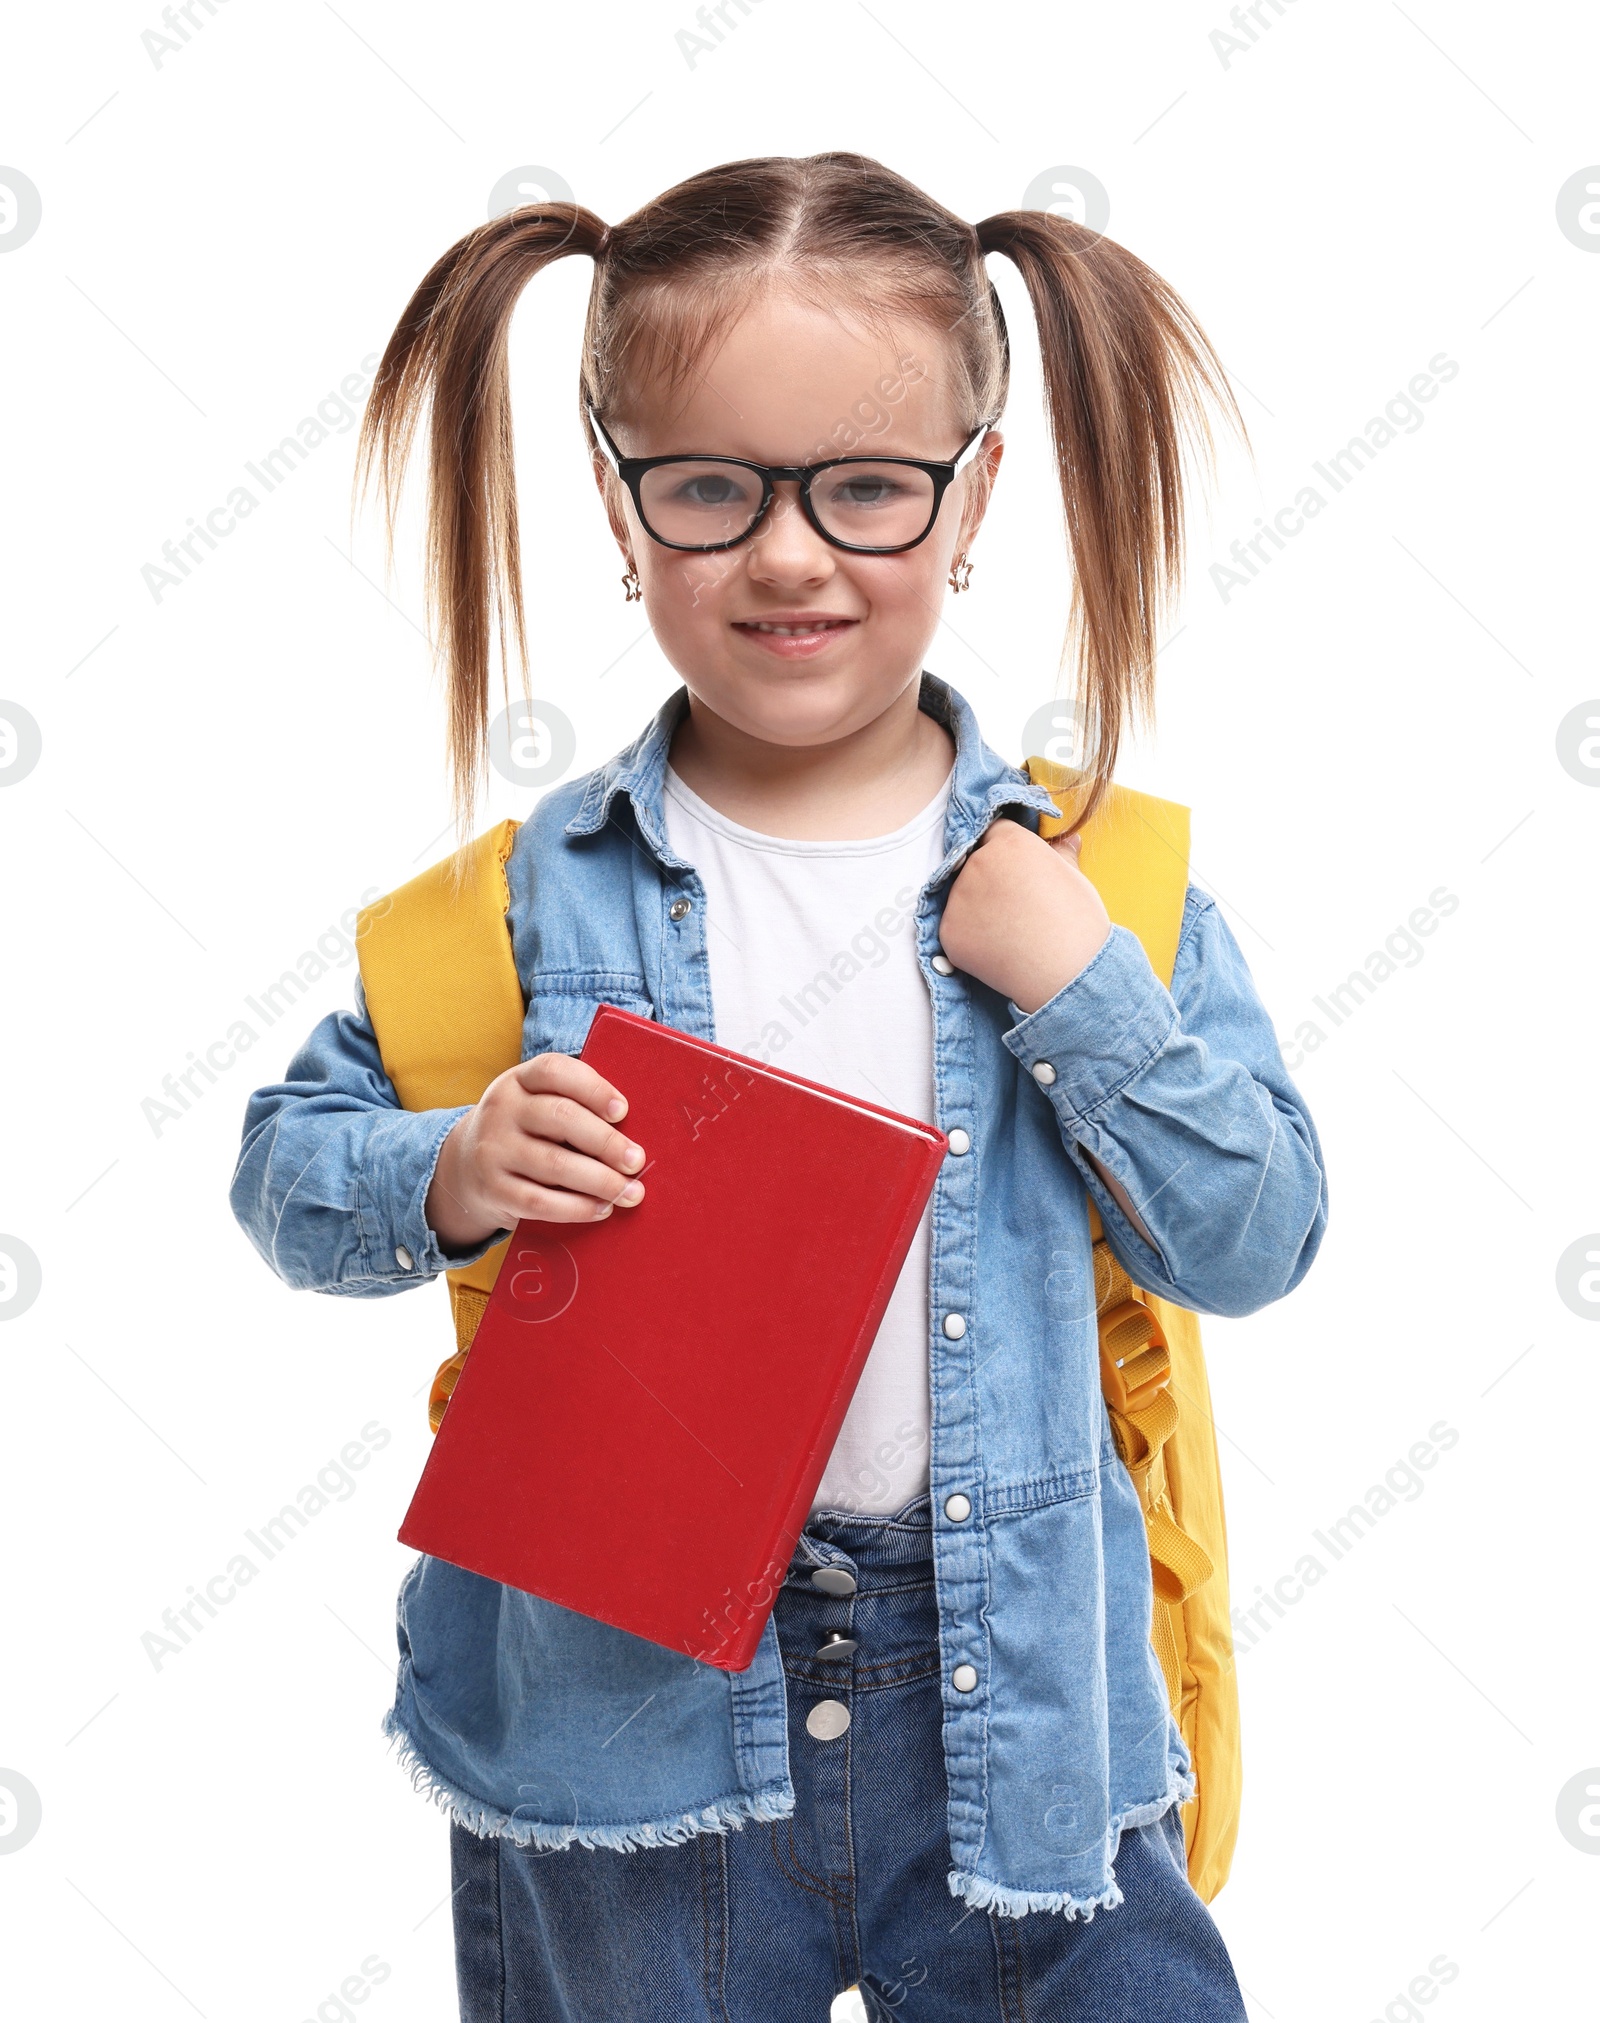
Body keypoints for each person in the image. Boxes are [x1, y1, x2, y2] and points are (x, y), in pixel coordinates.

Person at [230, 152, 1327, 2021]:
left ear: (975, 494)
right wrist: (456, 1163)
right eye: (714, 488)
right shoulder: (508, 913)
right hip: (617, 1723)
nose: (790, 554)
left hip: (1024, 1706)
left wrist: (1079, 993)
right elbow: (288, 1172)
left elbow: (1255, 1236)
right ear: (617, 494)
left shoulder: (1099, 888)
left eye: (871, 489)